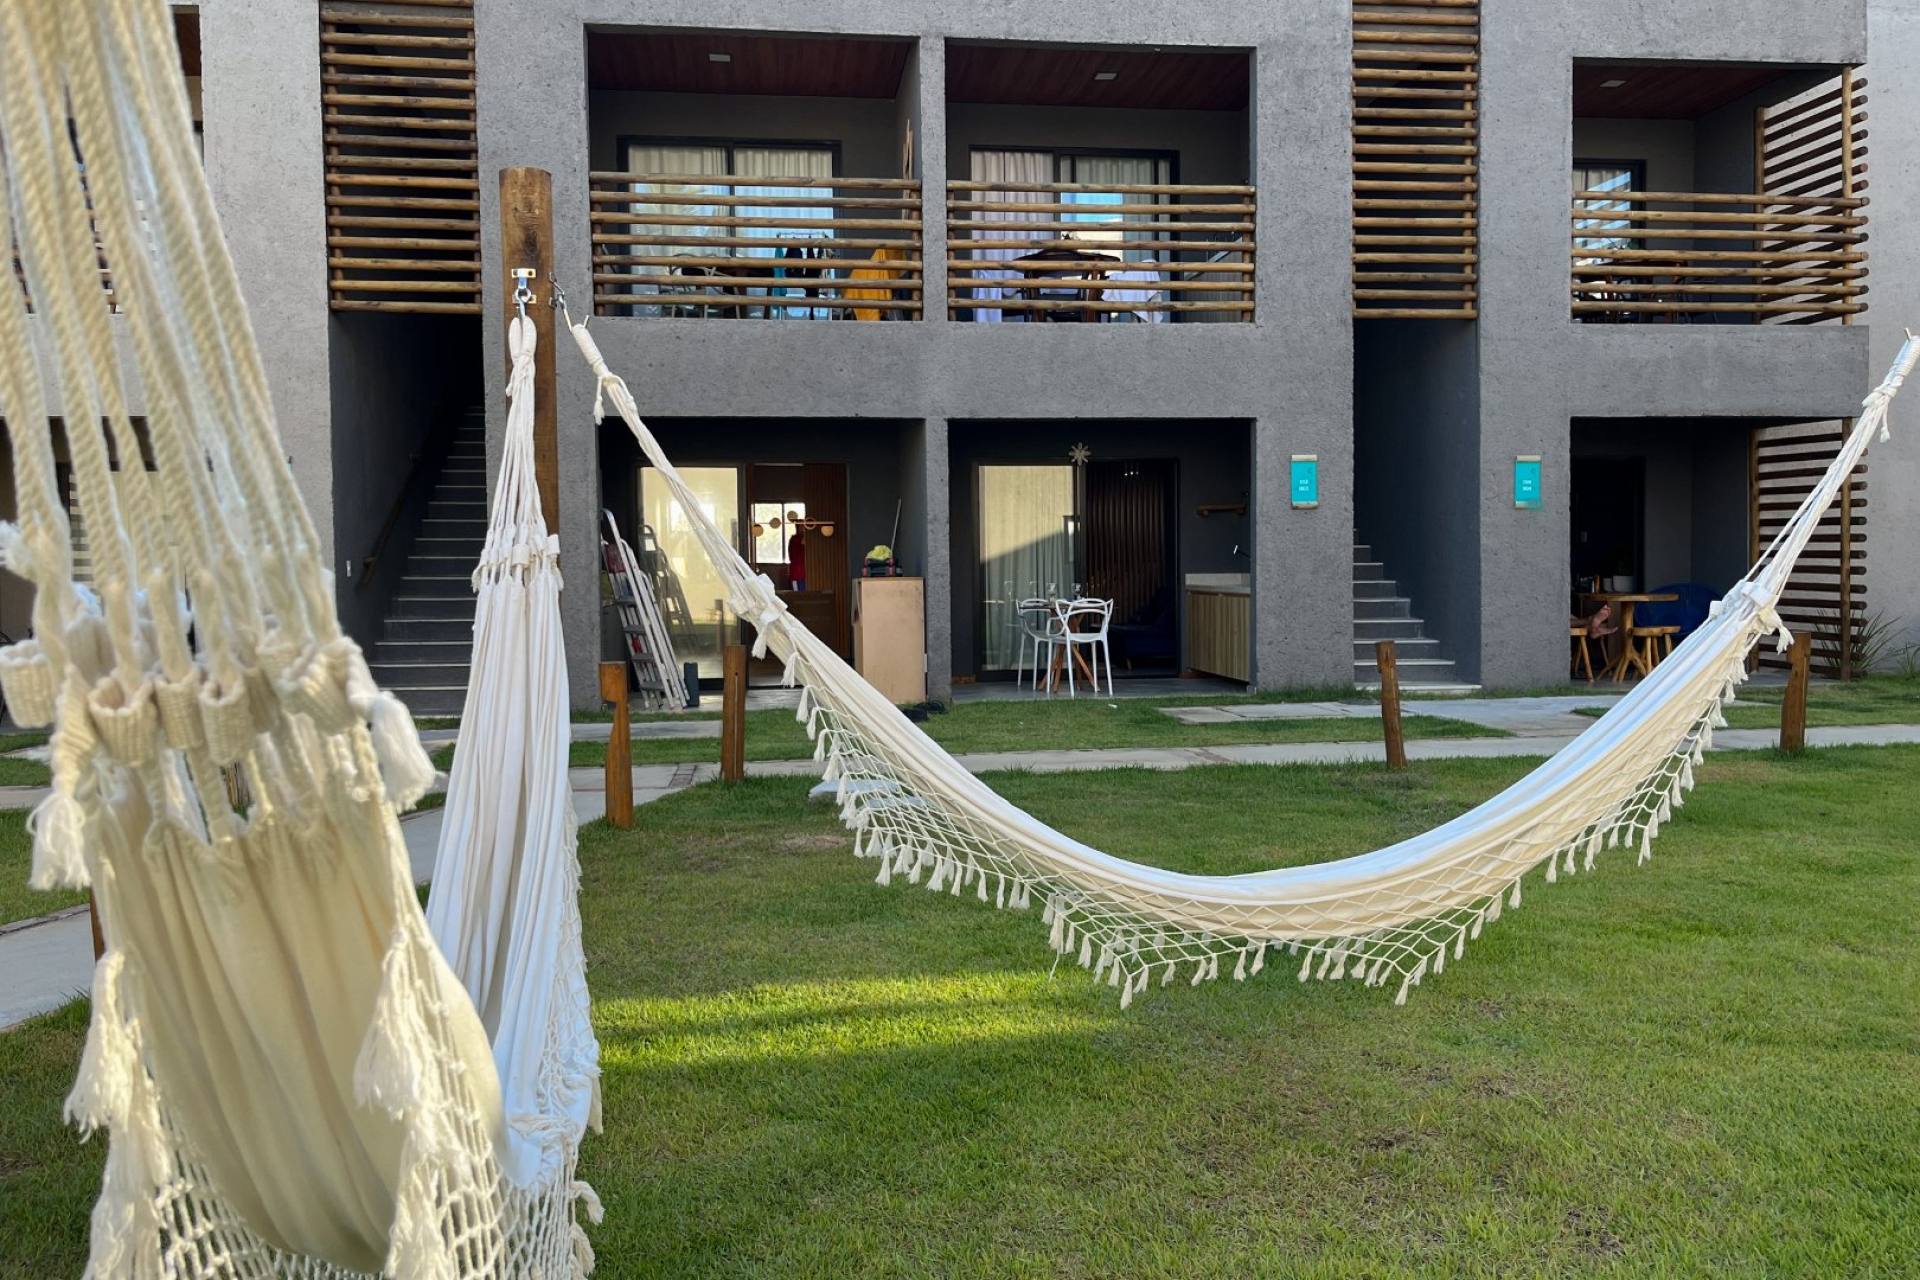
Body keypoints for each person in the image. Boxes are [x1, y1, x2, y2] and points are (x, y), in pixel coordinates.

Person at [787, 511, 807, 591]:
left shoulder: (800, 538)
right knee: (797, 593)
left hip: (803, 573)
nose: (803, 528)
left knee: (804, 593)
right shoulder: (795, 539)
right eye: (801, 526)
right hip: (796, 573)